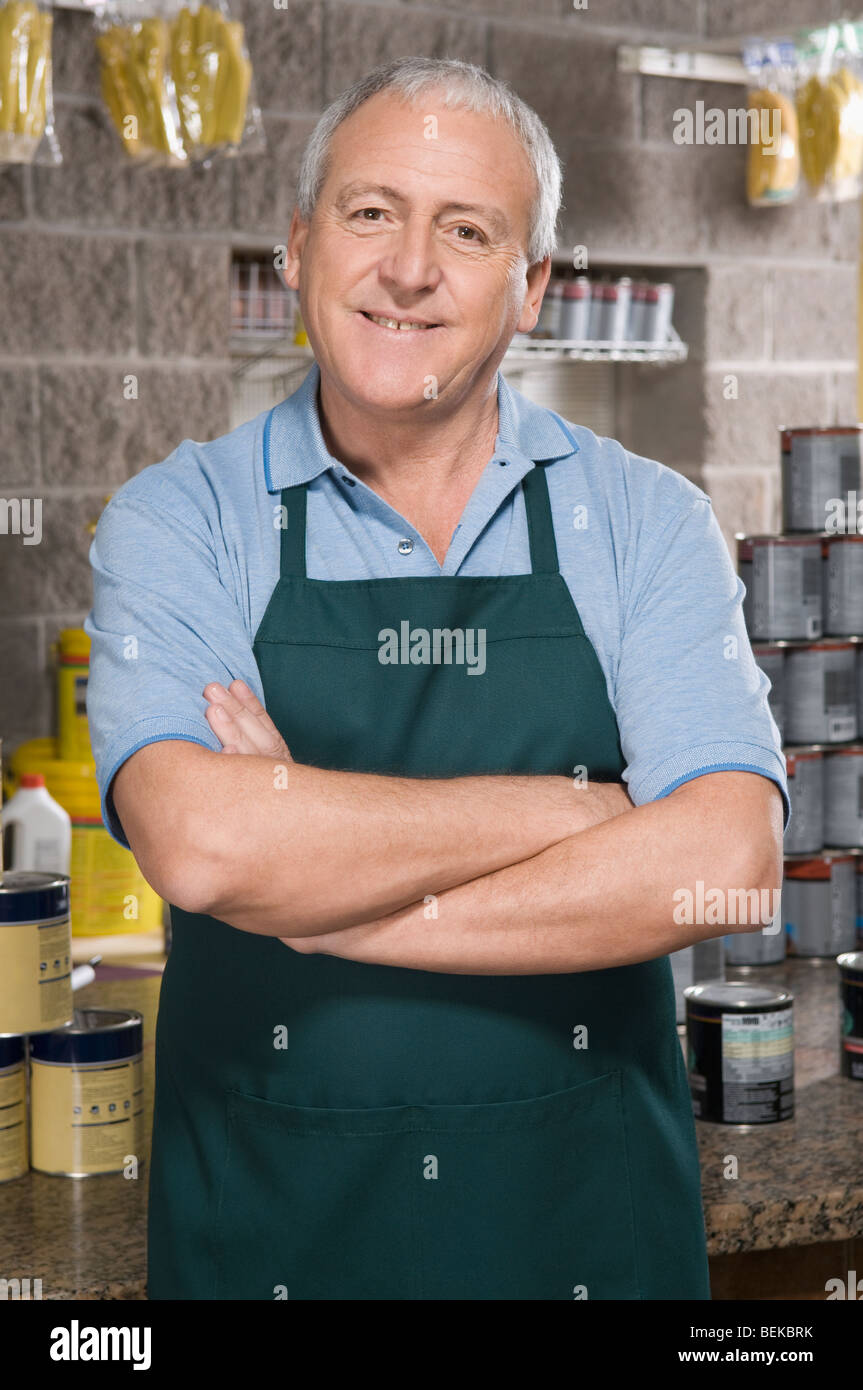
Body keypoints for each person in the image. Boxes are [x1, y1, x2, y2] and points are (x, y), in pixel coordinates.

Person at [85, 55, 788, 1301]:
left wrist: (319, 899)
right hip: (272, 1230)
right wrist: (580, 807)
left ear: (529, 292)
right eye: (370, 213)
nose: (407, 268)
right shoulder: (179, 517)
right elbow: (201, 848)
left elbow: (722, 869)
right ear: (297, 248)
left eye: (465, 231)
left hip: (585, 1231)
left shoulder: (643, 519)